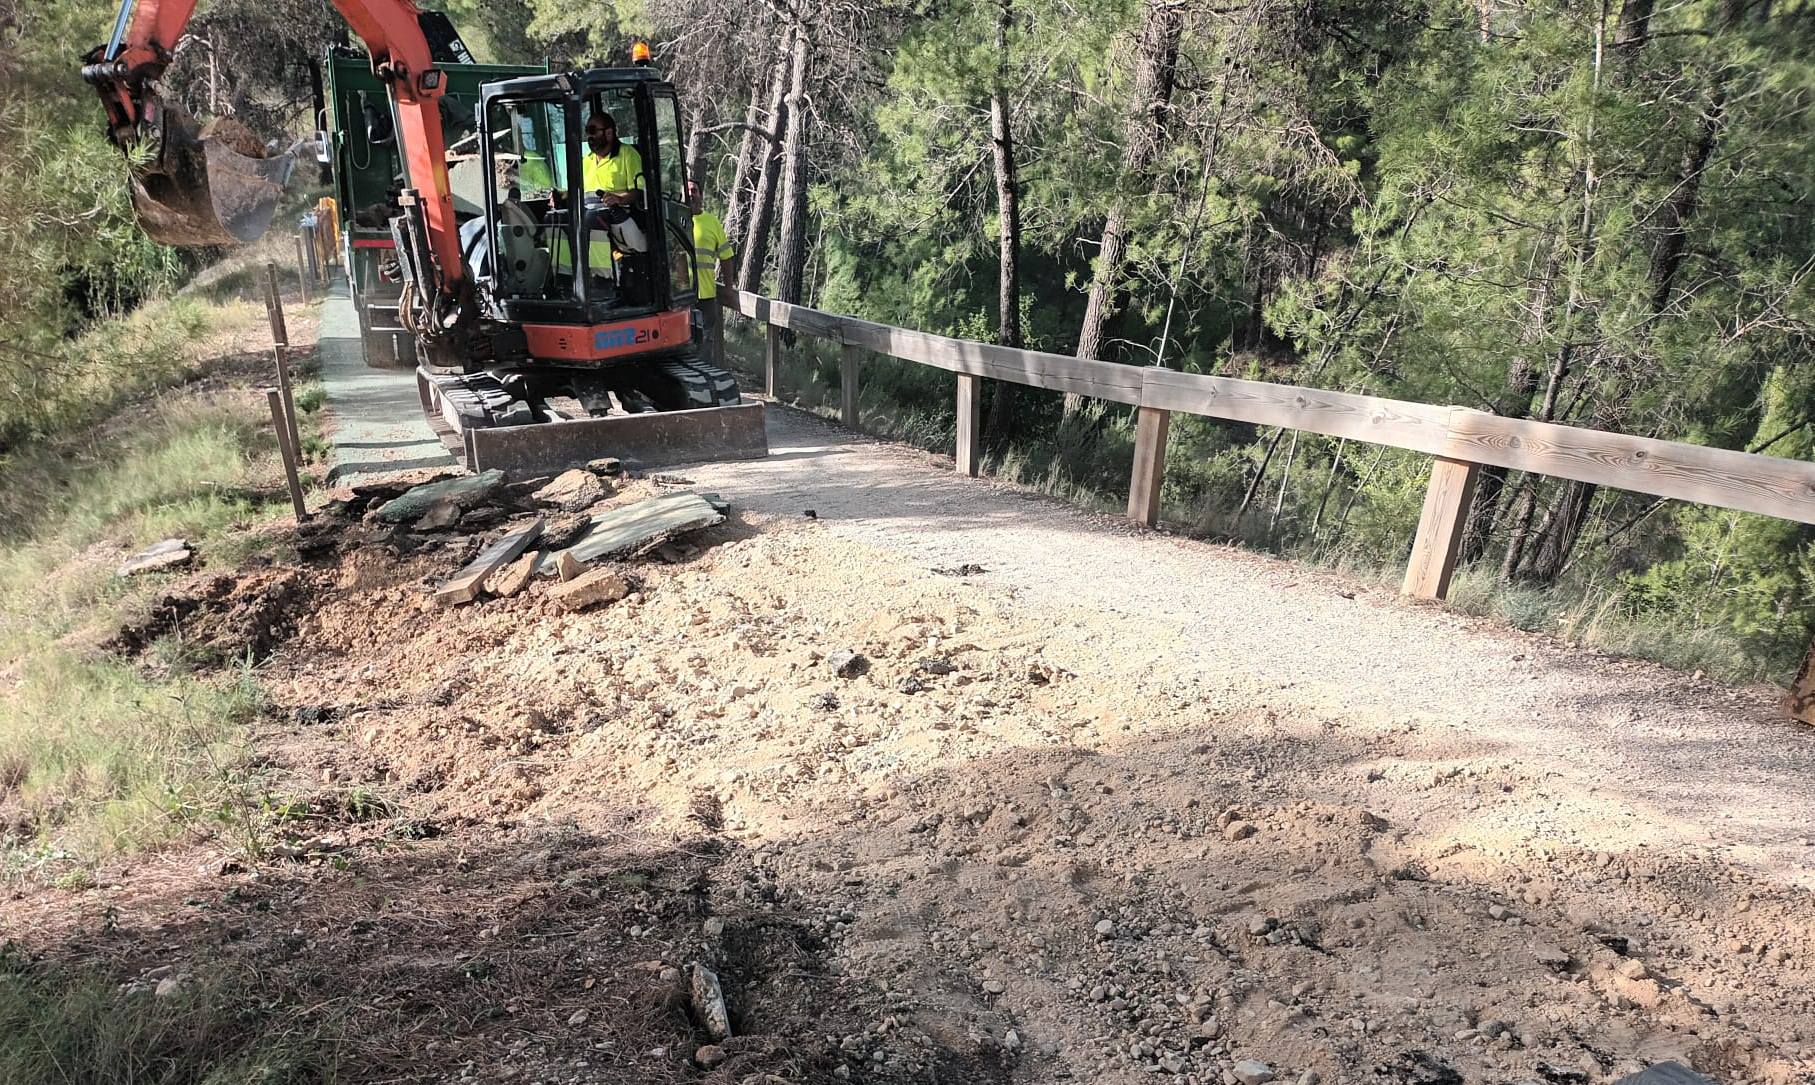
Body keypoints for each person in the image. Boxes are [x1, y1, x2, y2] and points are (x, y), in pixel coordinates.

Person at [688, 181, 736, 367]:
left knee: (704, 343)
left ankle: (704, 386)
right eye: (687, 191)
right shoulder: (673, 218)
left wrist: (729, 288)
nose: (691, 194)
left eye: (694, 191)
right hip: (679, 298)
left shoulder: (712, 222)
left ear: (701, 194)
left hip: (706, 296)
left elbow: (726, 257)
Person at [581, 111, 641, 205]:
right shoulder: (586, 161)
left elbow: (639, 192)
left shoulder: (628, 154)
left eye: (593, 131)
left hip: (619, 216)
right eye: (587, 131)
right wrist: (561, 195)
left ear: (609, 133)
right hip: (590, 216)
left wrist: (620, 199)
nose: (589, 136)